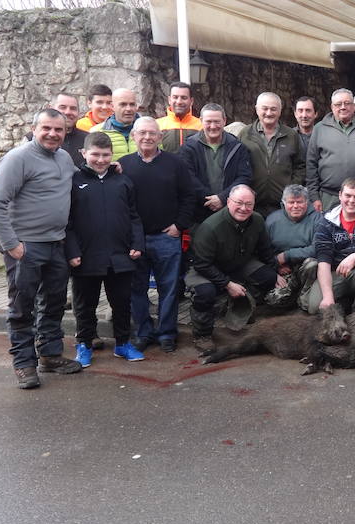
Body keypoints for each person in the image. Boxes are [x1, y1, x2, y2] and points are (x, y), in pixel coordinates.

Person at [0, 109, 82, 388]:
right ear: (34, 128)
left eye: (58, 130)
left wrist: (111, 169)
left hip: (56, 245)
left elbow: (80, 178)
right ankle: (24, 363)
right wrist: (12, 244)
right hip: (26, 248)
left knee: (53, 303)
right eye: (47, 128)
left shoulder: (63, 158)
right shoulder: (18, 159)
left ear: (65, 132)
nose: (52, 134)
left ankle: (50, 355)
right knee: (22, 307)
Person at [66, 131, 146, 366]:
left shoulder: (123, 181)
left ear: (112, 155)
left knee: (122, 304)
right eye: (95, 154)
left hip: (119, 256)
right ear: (84, 153)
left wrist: (137, 243)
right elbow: (67, 221)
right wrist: (71, 251)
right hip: (85, 257)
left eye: (105, 155)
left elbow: (134, 217)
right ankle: (84, 345)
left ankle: (122, 343)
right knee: (84, 306)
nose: (100, 160)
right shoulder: (73, 181)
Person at [119, 117, 195, 353]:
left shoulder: (176, 164)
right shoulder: (123, 166)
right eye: (142, 133)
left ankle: (166, 333)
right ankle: (143, 332)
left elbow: (189, 196)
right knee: (136, 289)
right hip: (135, 241)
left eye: (152, 133)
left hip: (167, 238)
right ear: (134, 137)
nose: (147, 137)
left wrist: (179, 226)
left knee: (169, 289)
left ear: (160, 137)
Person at [187, 185, 280, 353]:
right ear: (228, 202)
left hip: (239, 264)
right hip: (206, 269)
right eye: (239, 203)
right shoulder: (210, 227)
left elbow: (266, 250)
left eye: (249, 204)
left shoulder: (257, 220)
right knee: (205, 293)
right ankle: (202, 334)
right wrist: (227, 284)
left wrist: (276, 272)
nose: (244, 208)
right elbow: (201, 264)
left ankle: (239, 304)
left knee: (268, 277)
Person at [300, 177, 355, 314]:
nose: (352, 201)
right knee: (316, 308)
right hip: (336, 273)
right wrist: (328, 297)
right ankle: (343, 300)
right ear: (340, 195)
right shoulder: (326, 222)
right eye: (348, 195)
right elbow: (324, 262)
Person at [179, 102, 252, 226]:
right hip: (198, 214)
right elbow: (187, 178)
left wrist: (222, 198)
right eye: (208, 121)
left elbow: (244, 177)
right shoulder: (188, 148)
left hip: (230, 212)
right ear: (201, 121)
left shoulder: (237, 147)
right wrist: (209, 199)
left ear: (224, 121)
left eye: (217, 121)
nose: (213, 126)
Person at [306, 88, 355, 212]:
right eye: (338, 104)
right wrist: (314, 197)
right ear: (332, 107)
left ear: (354, 106)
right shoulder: (320, 128)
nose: (343, 107)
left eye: (347, 103)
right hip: (328, 197)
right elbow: (311, 164)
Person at [239, 91, 305, 217]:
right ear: (257, 109)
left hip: (283, 204)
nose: (269, 113)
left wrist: (291, 189)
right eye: (265, 109)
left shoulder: (291, 135)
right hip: (251, 204)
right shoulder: (245, 134)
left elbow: (300, 166)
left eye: (273, 109)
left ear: (280, 111)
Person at [263, 184, 323, 308]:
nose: (295, 206)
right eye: (291, 202)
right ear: (284, 203)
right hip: (282, 268)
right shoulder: (271, 220)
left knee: (313, 264)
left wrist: (286, 256)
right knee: (274, 300)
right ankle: (292, 295)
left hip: (307, 268)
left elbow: (319, 248)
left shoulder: (318, 219)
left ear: (307, 203)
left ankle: (305, 294)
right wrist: (276, 267)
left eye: (300, 202)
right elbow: (264, 250)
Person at [23, 93, 87, 167]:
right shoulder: (31, 138)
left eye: (73, 108)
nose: (68, 112)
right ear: (50, 108)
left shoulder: (87, 140)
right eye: (62, 107)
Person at [90, 88, 139, 160]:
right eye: (123, 104)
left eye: (132, 104)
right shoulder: (97, 132)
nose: (128, 109)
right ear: (112, 106)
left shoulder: (150, 131)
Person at [157, 81, 201, 152]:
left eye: (184, 98)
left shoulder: (201, 126)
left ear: (191, 101)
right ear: (169, 100)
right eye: (175, 97)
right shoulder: (157, 125)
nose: (179, 101)